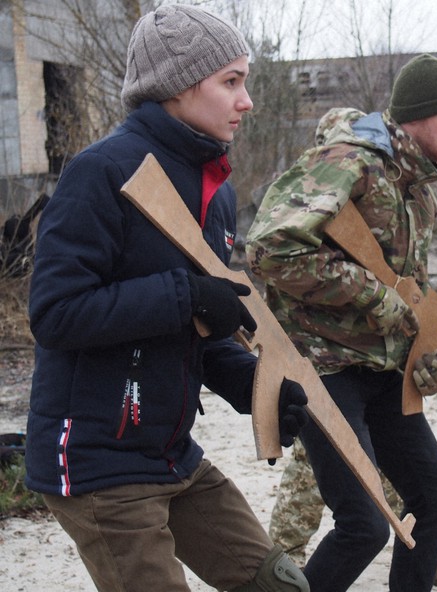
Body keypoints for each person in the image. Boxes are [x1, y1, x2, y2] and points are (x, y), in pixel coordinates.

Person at [24, 5, 309, 592]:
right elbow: (55, 313)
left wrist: (255, 387)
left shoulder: (216, 191)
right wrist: (187, 294)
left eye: (244, 81)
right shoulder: (102, 172)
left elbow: (198, 323)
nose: (247, 100)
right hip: (99, 461)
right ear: (178, 86)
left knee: (279, 584)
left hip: (171, 453)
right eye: (230, 82)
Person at [247, 53, 437, 592]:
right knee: (365, 525)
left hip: (378, 370)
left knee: (436, 496)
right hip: (323, 367)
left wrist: (428, 356)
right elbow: (270, 251)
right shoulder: (351, 163)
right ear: (418, 116)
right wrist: (383, 303)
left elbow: (409, 298)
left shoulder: (419, 193)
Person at [269, 440, 437, 591]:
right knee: (313, 458)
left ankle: (430, 557)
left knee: (389, 461)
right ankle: (285, 560)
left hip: (378, 379)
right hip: (323, 381)